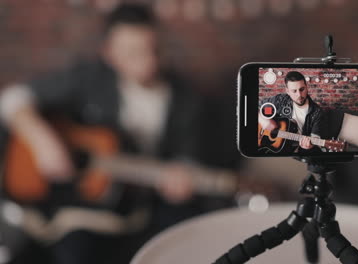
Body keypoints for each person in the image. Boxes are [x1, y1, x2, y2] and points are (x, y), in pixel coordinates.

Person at [0, 3, 232, 264]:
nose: (149, 60)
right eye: (134, 52)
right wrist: (43, 141)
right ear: (109, 53)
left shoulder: (187, 98)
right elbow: (13, 99)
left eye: (154, 49)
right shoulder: (88, 78)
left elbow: (189, 158)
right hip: (91, 210)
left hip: (150, 206)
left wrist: (183, 173)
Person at [258, 71, 323, 153]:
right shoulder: (280, 101)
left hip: (296, 151)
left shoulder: (317, 112)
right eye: (294, 91)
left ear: (307, 87)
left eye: (302, 89)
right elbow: (258, 107)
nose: (299, 94)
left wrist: (310, 145)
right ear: (288, 91)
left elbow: (315, 137)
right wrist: (263, 120)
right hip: (271, 146)